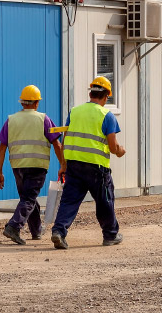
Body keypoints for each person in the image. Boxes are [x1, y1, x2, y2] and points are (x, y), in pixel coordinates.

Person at [51, 76, 125, 249]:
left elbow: (66, 139)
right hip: (97, 168)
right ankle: (110, 235)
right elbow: (113, 147)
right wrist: (120, 151)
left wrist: (63, 165)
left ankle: (58, 232)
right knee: (105, 201)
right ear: (106, 96)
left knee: (69, 201)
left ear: (91, 93)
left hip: (74, 165)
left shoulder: (75, 111)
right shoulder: (107, 116)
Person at [0, 84, 66, 245]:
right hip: (37, 165)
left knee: (27, 197)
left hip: (18, 166)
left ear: (22, 103)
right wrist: (63, 164)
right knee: (28, 198)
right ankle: (13, 226)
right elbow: (57, 145)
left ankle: (36, 231)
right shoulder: (44, 119)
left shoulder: (11, 120)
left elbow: (2, 148)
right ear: (36, 103)